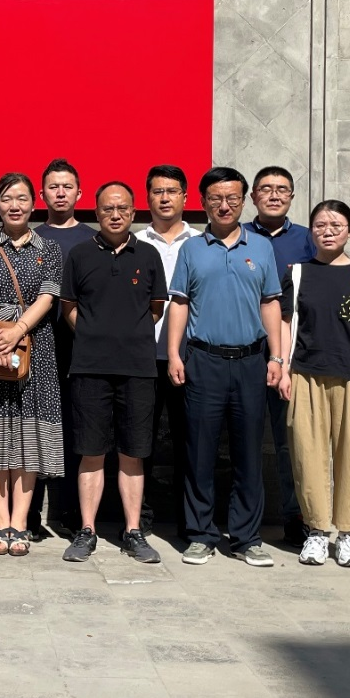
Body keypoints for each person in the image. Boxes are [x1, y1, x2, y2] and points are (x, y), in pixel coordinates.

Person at [166, 167, 283, 567]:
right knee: (199, 452)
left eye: (232, 198)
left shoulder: (261, 248)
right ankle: (200, 534)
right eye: (216, 198)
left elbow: (270, 303)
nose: (224, 205)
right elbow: (179, 303)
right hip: (204, 361)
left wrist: (276, 356)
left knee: (248, 453)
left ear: (244, 200)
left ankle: (247, 538)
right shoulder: (192, 249)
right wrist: (175, 354)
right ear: (202, 202)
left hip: (251, 362)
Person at [278, 199, 350, 568]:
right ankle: (316, 531)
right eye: (320, 225)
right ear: (311, 231)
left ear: (349, 231)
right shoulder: (298, 273)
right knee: (307, 456)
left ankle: (347, 535)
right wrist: (283, 368)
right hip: (306, 375)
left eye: (336, 225)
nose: (328, 231)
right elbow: (284, 323)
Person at [60, 182, 167, 564]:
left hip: (137, 369)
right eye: (108, 209)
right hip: (90, 368)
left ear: (134, 212)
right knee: (91, 452)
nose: (116, 215)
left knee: (132, 454)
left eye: (123, 208)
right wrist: (94, 334)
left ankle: (133, 531)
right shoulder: (80, 254)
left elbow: (156, 308)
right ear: (97, 212)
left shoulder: (149, 254)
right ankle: (87, 530)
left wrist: (127, 336)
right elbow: (69, 307)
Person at [0, 173, 64, 557]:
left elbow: (48, 297)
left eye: (21, 198)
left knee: (28, 436)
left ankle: (20, 522)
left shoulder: (49, 248)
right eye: (7, 198)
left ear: (34, 203)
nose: (14, 205)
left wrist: (16, 332)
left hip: (35, 345)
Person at [249, 166, 317, 547]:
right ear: (253, 196)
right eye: (266, 189)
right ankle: (246, 519)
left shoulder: (308, 240)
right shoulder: (238, 235)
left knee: (290, 441)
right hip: (245, 352)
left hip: (291, 358)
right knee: (243, 440)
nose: (274, 195)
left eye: (282, 190)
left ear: (292, 196)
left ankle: (296, 517)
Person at [136, 165, 202, 538]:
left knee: (189, 443)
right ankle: (140, 520)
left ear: (185, 197)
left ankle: (189, 522)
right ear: (148, 197)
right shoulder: (135, 242)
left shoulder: (201, 243)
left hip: (189, 358)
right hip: (142, 358)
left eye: (172, 191)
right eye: (158, 191)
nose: (165, 198)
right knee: (140, 443)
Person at [34, 158, 96, 534]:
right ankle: (30, 514)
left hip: (79, 347)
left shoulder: (92, 239)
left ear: (79, 193)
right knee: (35, 426)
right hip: (36, 344)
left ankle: (72, 514)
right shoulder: (31, 237)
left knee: (76, 429)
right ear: (42, 194)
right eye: (53, 187)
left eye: (67, 186)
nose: (60, 193)